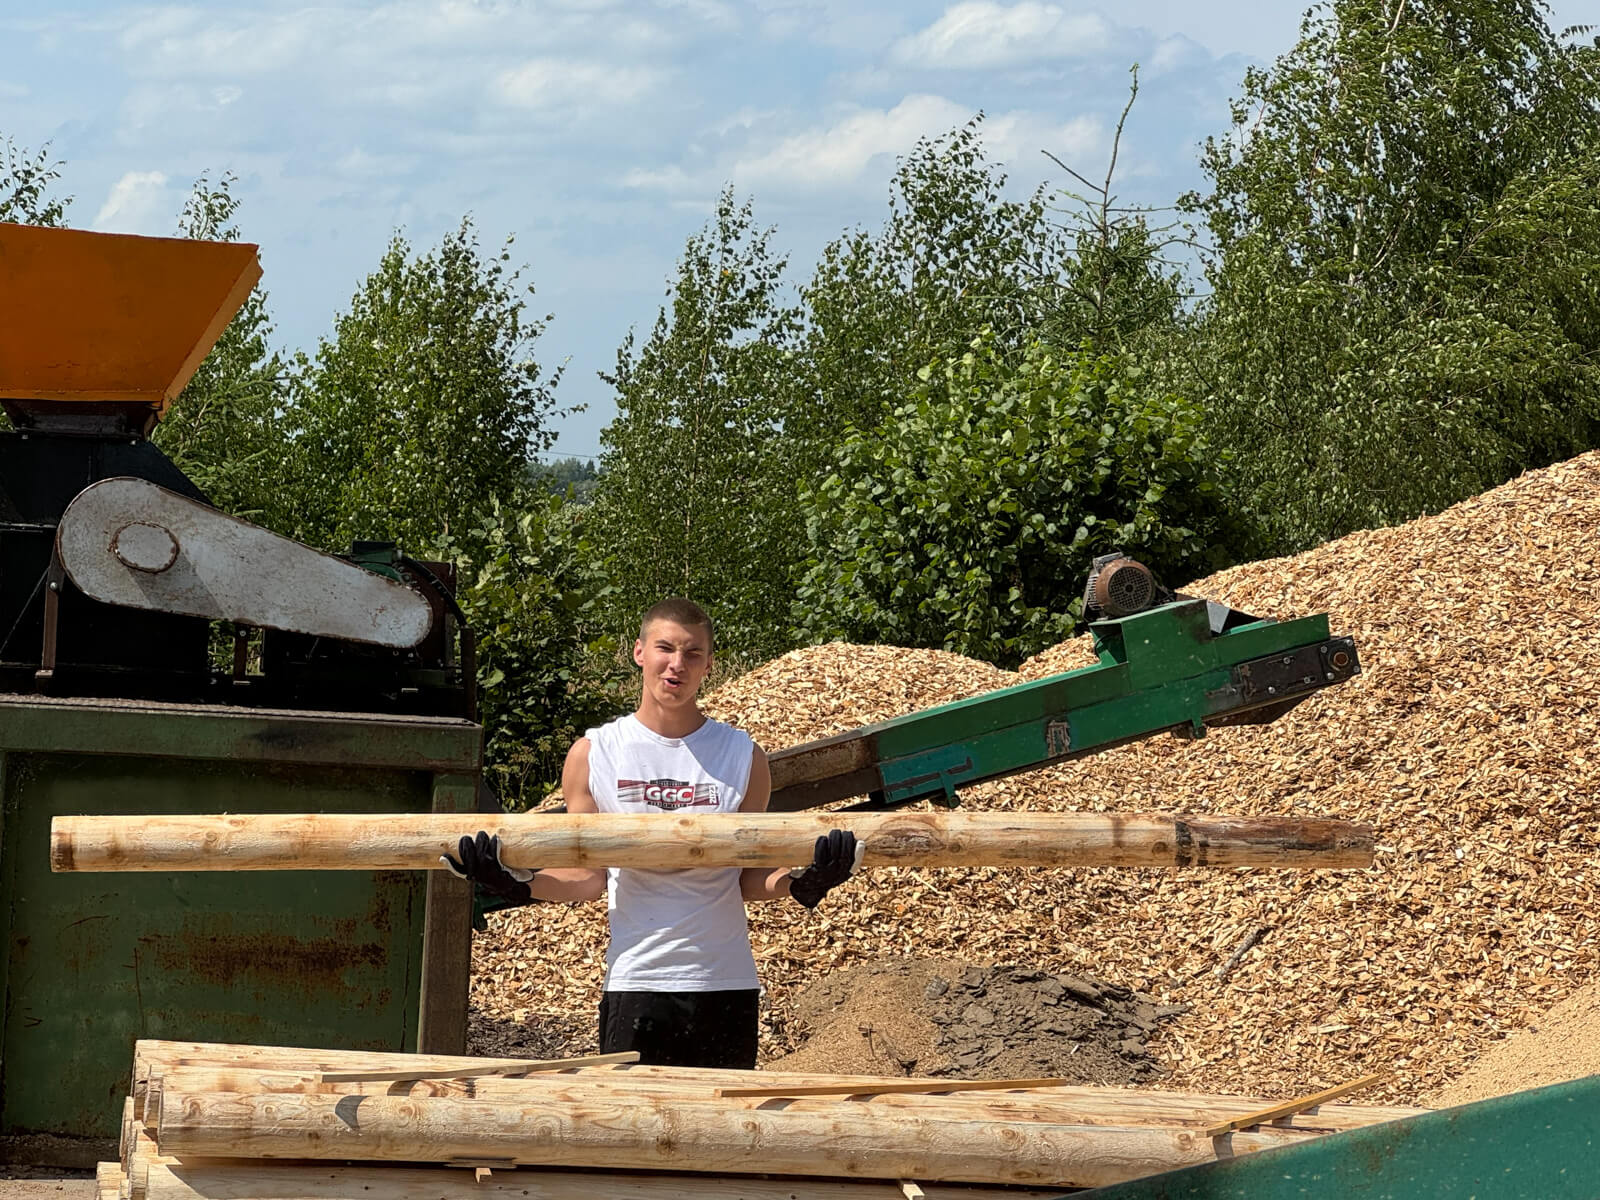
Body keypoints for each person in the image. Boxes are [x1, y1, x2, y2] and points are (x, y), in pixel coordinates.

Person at [444, 597, 860, 1069]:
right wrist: (517, 883)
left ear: (709, 664)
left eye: (693, 653)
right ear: (639, 652)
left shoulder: (743, 757)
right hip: (636, 983)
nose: (677, 664)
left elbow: (747, 876)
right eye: (665, 648)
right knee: (633, 1116)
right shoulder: (595, 754)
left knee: (721, 1116)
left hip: (725, 984)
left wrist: (801, 882)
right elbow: (588, 878)